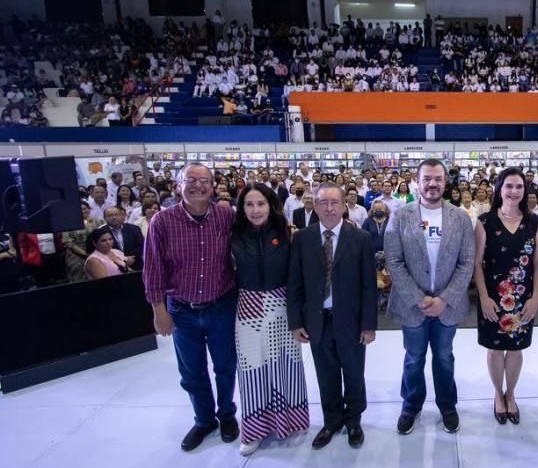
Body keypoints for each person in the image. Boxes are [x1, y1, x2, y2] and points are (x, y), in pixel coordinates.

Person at [143, 162, 240, 451]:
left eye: (204, 181)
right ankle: (203, 419)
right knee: (192, 372)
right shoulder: (162, 221)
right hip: (182, 310)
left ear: (213, 187)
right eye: (191, 180)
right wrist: (158, 311)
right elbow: (152, 269)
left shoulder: (226, 217)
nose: (198, 186)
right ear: (177, 185)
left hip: (221, 305)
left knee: (225, 366)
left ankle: (226, 415)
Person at [385, 159, 475, 435]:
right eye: (427, 179)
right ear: (417, 181)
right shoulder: (400, 216)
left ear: (445, 182)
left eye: (438, 178)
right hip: (412, 305)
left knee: (445, 357)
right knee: (414, 357)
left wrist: (445, 299)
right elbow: (393, 260)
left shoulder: (459, 217)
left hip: (448, 305)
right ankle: (411, 406)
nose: (432, 184)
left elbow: (467, 262)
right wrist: (418, 297)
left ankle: (447, 405)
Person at [287, 182, 377, 449]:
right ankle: (332, 421)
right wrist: (296, 321)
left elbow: (368, 286)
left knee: (353, 372)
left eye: (334, 202)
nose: (329, 208)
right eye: (323, 203)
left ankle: (353, 421)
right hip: (317, 320)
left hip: (350, 320)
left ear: (343, 206)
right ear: (314, 206)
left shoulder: (360, 238)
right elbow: (295, 284)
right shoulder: (302, 238)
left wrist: (369, 325)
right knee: (325, 374)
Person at [231, 183, 309, 456]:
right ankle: (254, 430)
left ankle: (289, 421)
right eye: (249, 205)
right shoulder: (233, 235)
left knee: (286, 365)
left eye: (260, 204)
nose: (255, 210)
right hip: (248, 308)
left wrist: (299, 314)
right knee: (252, 370)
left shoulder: (287, 233)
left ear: (271, 205)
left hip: (282, 307)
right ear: (242, 208)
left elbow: (297, 277)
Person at [473, 168, 538, 426]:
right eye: (509, 186)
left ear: (525, 190)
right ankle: (497, 393)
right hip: (493, 298)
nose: (514, 191)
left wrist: (536, 297)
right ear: (499, 189)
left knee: (515, 349)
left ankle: (511, 393)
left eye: (519, 186)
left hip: (523, 299)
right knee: (495, 349)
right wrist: (483, 296)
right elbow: (477, 263)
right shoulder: (484, 221)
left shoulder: (534, 221)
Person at [62, 201, 102, 283]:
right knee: (79, 280)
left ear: (89, 209)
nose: (83, 211)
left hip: (97, 252)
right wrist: (85, 253)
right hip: (76, 254)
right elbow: (68, 242)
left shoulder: (97, 221)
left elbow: (104, 236)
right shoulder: (69, 223)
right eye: (80, 209)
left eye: (85, 209)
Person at [362, 200, 391, 311]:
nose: (379, 211)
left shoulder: (391, 221)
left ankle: (386, 303)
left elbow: (394, 236)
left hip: (388, 256)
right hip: (371, 256)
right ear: (372, 210)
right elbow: (362, 237)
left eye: (381, 209)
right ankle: (375, 303)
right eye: (376, 209)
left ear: (385, 210)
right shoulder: (367, 221)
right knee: (374, 280)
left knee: (387, 280)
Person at [102, 206, 144, 270]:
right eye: (110, 215)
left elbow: (142, 245)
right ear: (105, 218)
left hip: (135, 264)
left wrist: (132, 258)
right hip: (113, 267)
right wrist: (121, 259)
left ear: (122, 216)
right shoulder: (101, 233)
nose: (114, 217)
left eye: (116, 214)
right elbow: (101, 251)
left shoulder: (134, 229)